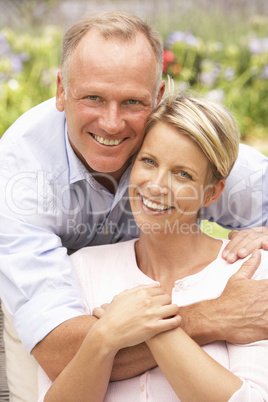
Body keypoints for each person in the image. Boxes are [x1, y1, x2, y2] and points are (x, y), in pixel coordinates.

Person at [0, 10, 268, 400]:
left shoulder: (187, 145)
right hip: (62, 314)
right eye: (92, 97)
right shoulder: (20, 178)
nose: (111, 123)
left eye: (131, 102)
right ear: (60, 90)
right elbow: (61, 356)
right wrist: (211, 316)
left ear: (159, 98)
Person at [40, 94, 268, 401]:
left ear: (211, 192)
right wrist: (104, 338)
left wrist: (152, 329)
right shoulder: (84, 269)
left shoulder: (251, 272)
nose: (156, 185)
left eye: (182, 174)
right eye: (149, 162)